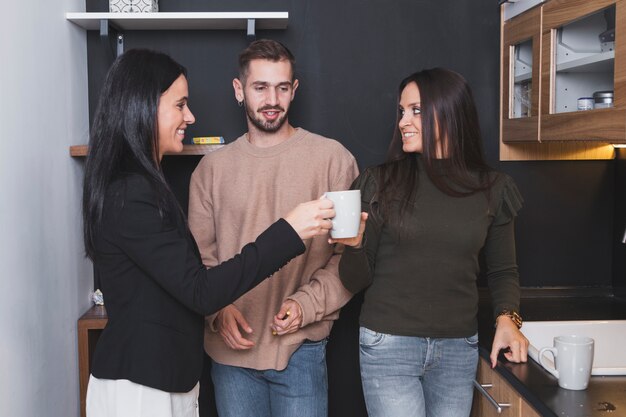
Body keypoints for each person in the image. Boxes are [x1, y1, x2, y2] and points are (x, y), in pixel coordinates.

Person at [82, 48, 336, 417]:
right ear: (143, 107)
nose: (191, 116)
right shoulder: (131, 192)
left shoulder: (140, 185)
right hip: (141, 387)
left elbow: (187, 282)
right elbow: (200, 290)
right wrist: (290, 230)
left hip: (164, 378)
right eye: (180, 105)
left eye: (282, 88)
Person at [335, 68, 529, 417]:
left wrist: (507, 321)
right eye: (401, 111)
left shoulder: (493, 189)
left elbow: (503, 270)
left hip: (458, 348)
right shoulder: (378, 183)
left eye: (416, 110)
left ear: (450, 113)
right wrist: (353, 245)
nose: (403, 121)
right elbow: (354, 280)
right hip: (388, 344)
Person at [188, 39, 359, 417]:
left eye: (282, 88)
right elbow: (198, 261)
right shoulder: (210, 171)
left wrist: (306, 305)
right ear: (239, 90)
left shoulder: (333, 159)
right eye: (260, 87)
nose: (272, 99)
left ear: (294, 90)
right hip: (230, 353)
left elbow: (349, 258)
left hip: (301, 348)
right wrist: (218, 309)